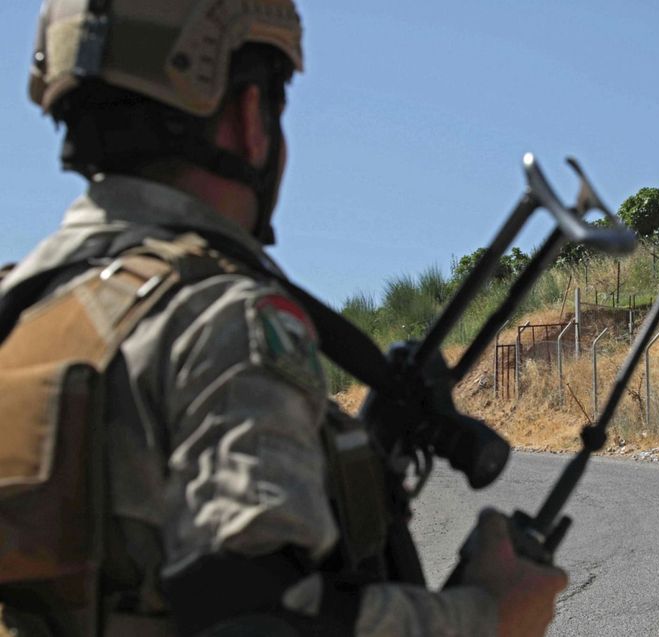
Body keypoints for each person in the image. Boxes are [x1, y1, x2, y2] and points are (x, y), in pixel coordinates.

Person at [0, 2, 565, 636]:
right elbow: (261, 621)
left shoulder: (19, 315)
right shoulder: (222, 320)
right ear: (249, 119)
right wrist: (485, 618)